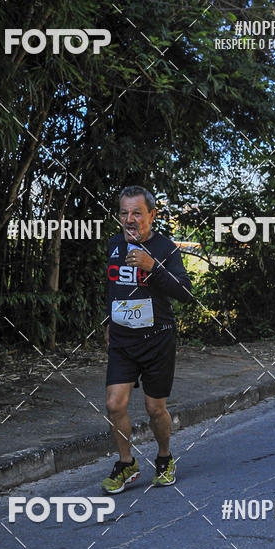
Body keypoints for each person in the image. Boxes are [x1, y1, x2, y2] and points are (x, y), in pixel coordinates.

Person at [101, 185, 192, 493]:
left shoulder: (166, 248)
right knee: (114, 404)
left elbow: (185, 292)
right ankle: (126, 463)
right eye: (124, 213)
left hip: (157, 340)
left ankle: (164, 457)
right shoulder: (114, 244)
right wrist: (108, 320)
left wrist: (153, 267)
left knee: (155, 409)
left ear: (152, 215)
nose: (130, 220)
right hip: (122, 341)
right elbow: (113, 286)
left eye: (137, 213)